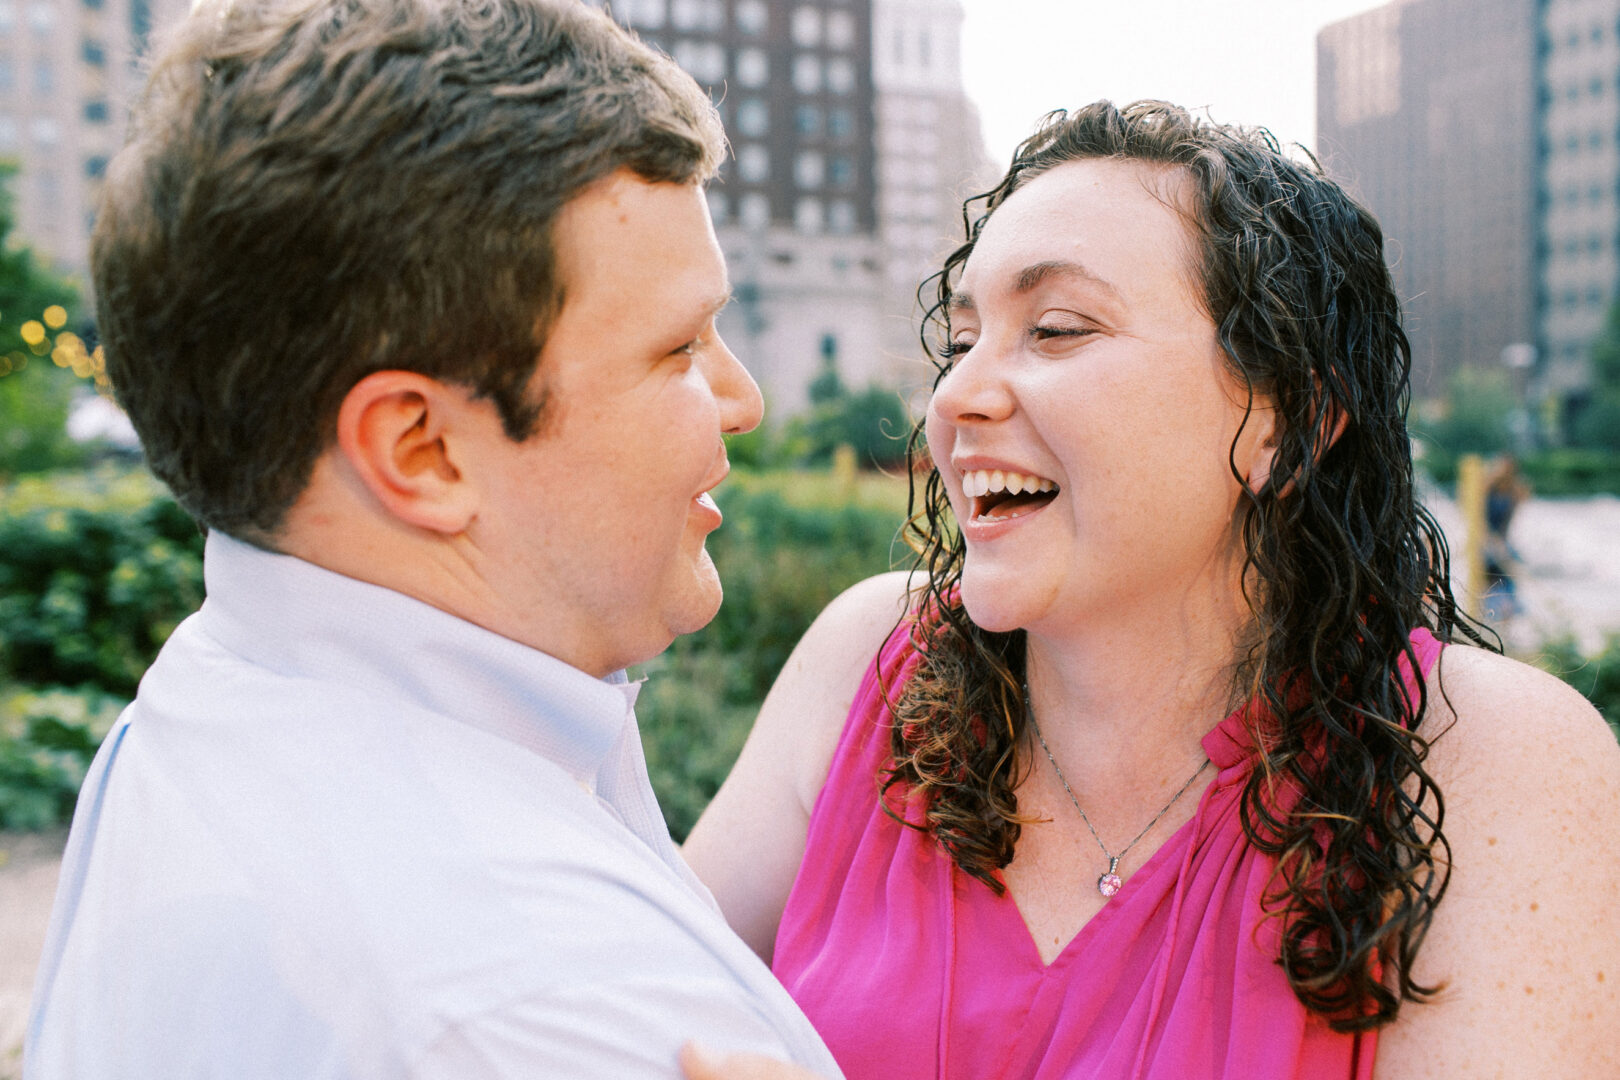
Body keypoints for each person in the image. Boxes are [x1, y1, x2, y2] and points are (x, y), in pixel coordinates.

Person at [685, 102, 1620, 1079]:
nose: (956, 396)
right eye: (961, 342)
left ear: (1288, 424)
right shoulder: (870, 661)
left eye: (1055, 329)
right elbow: (614, 1010)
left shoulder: (1491, 760)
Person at [24, 0, 843, 1076]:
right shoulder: (533, 1011)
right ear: (421, 450)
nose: (743, 400)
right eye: (680, 348)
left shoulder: (206, 706)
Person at [1482, 454, 1530, 622]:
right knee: (1494, 568)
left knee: (1511, 564)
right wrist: (1492, 539)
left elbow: (1506, 522)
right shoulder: (1486, 488)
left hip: (1499, 538)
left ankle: (1507, 608)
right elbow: (1480, 519)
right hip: (1485, 537)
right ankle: (1498, 608)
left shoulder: (1513, 492)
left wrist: (1501, 541)